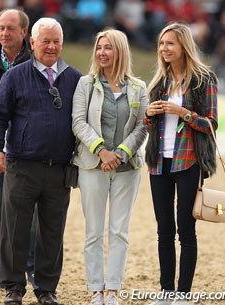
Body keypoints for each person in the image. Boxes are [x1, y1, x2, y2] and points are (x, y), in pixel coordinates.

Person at [0, 17, 82, 305]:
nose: (52, 46)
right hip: (21, 165)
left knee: (52, 232)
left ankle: (46, 288)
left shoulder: (75, 79)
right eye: (45, 40)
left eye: (56, 41)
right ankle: (13, 287)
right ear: (32, 43)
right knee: (15, 229)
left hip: (58, 169)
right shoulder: (15, 76)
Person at [72, 28, 148, 305]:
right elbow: (78, 122)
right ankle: (95, 289)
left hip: (127, 169)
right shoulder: (86, 84)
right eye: (99, 47)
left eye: (108, 47)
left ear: (121, 51)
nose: (102, 52)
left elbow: (142, 126)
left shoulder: (139, 88)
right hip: (92, 165)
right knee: (93, 231)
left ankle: (113, 289)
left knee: (119, 231)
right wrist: (102, 152)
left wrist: (122, 153)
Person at [144, 22, 218, 305]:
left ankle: (183, 294)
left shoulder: (203, 79)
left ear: (183, 46)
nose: (164, 49)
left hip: (188, 162)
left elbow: (211, 123)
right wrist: (150, 113)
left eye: (169, 44)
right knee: (163, 229)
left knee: (185, 229)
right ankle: (166, 292)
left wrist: (183, 112)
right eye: (161, 44)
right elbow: (149, 124)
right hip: (158, 164)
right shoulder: (159, 82)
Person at [0, 8, 38, 290]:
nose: (4, 33)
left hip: (28, 150)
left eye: (10, 28)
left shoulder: (38, 63)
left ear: (24, 32)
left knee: (30, 215)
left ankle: (32, 268)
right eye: (0, 28)